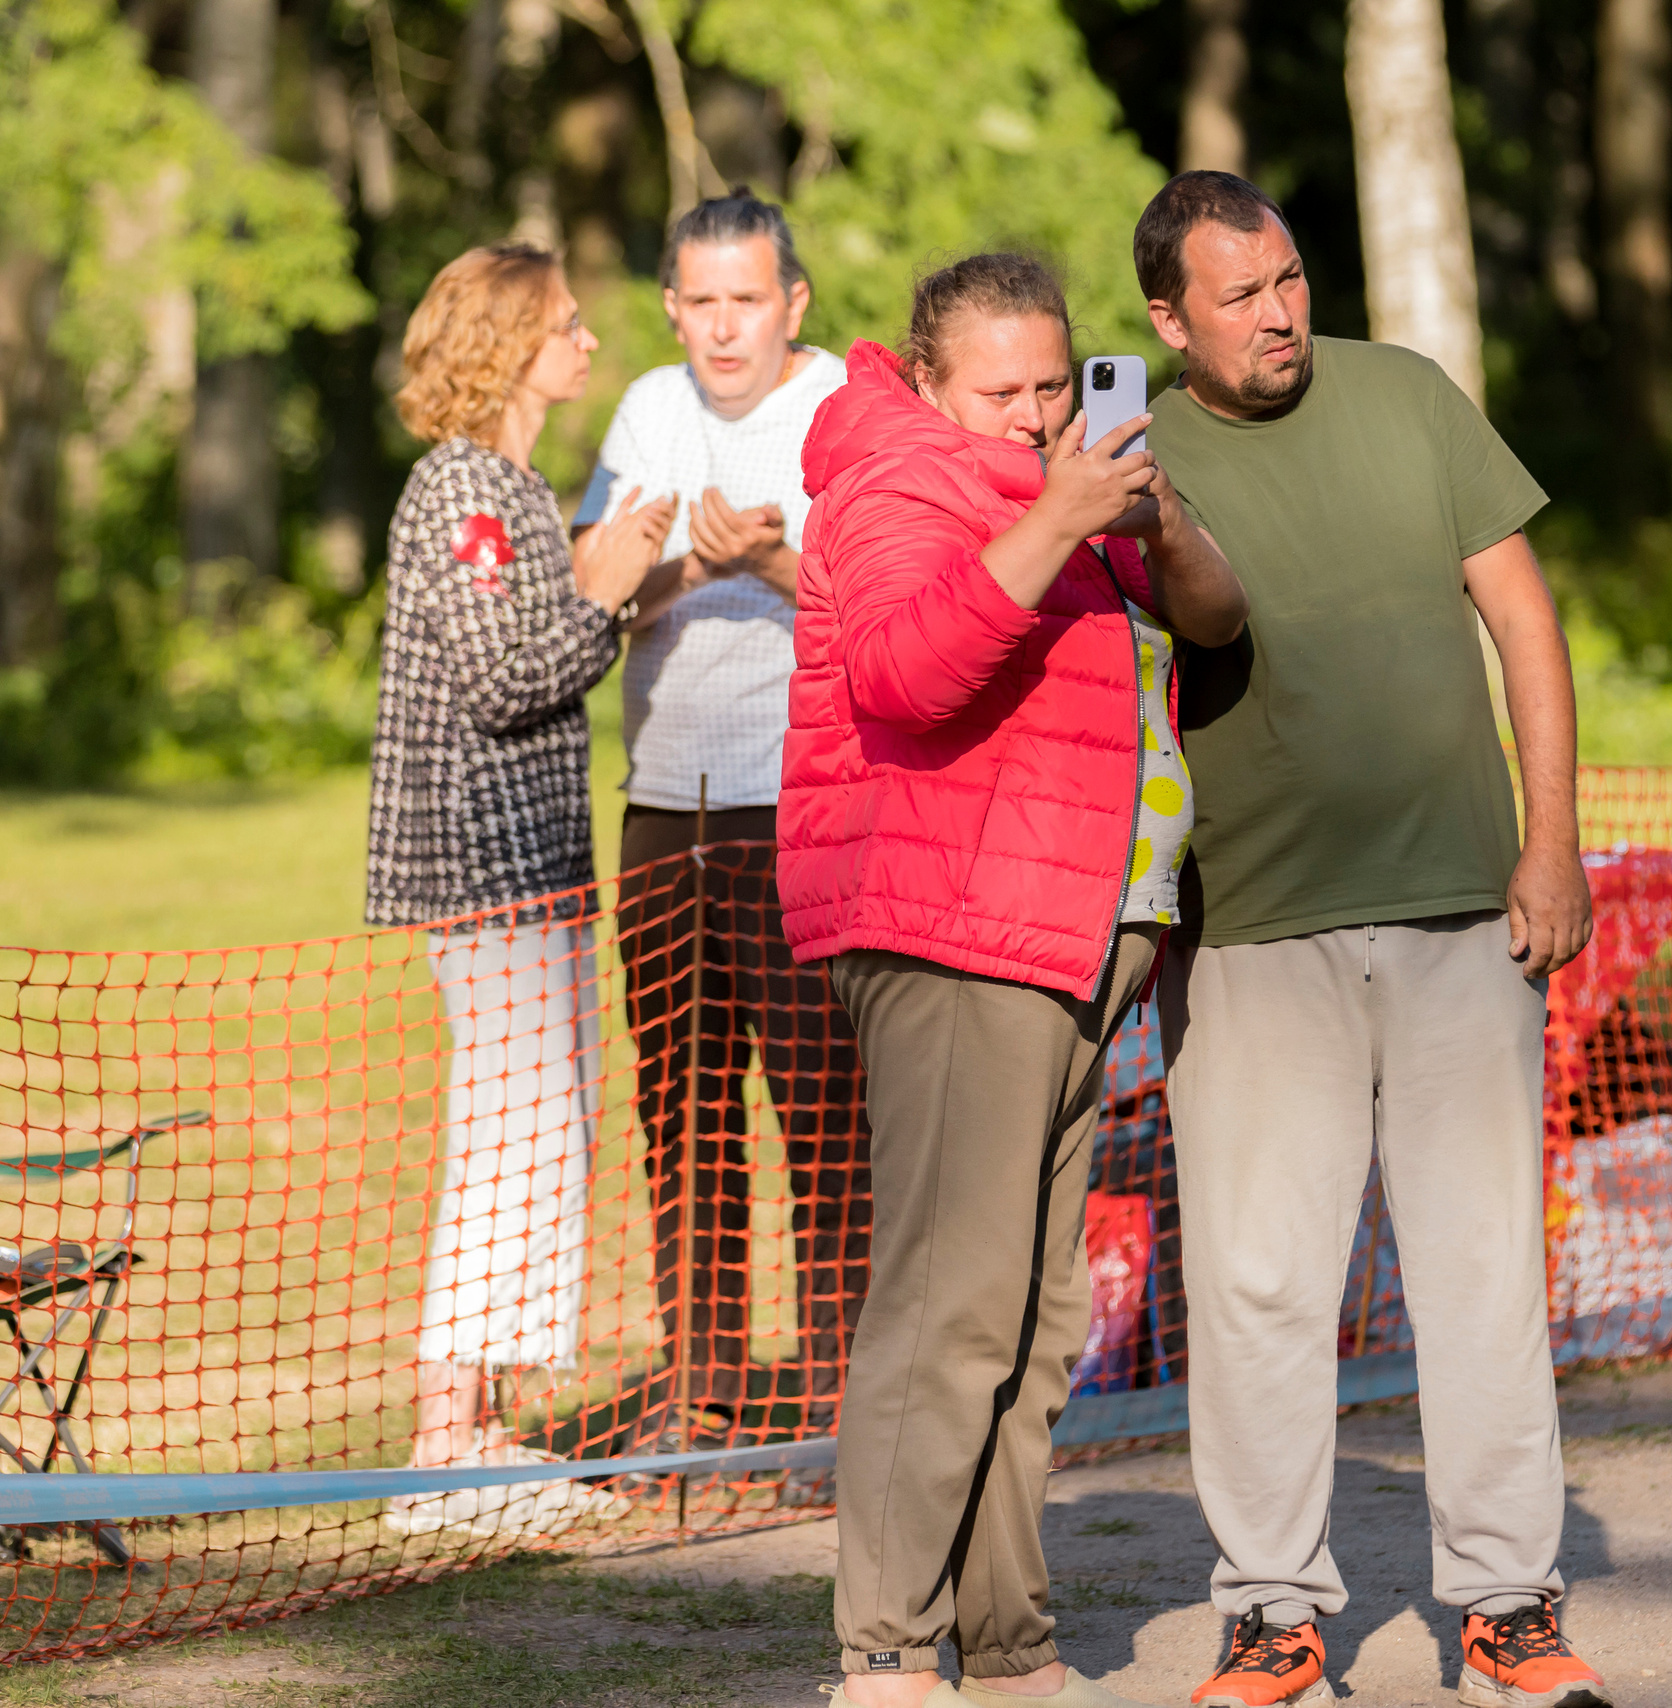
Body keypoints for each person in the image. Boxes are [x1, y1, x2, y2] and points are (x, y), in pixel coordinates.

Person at [1133, 172, 1612, 1708]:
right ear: (1167, 318)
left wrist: (1552, 842)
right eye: (1241, 295)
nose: (1280, 314)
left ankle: (1507, 1606)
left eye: (1288, 278)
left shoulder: (1408, 397)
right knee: (1263, 1282)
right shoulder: (1132, 456)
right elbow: (1168, 640)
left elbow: (1523, 619)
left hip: (1467, 912)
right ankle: (1272, 1612)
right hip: (1251, 931)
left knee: (1481, 1271)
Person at [779, 254, 1248, 1708]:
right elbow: (906, 677)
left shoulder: (1077, 496)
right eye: (1004, 391)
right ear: (929, 382)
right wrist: (1052, 515)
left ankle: (1005, 1642)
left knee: (1035, 1322)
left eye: (1056, 385)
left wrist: (1147, 515)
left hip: (1067, 938)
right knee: (949, 1306)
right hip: (955, 931)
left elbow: (1221, 625)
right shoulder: (900, 482)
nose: (1037, 414)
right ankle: (887, 1652)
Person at [365, 243, 677, 1533]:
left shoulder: (505, 487)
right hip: (485, 872)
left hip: (526, 869)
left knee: (538, 1138)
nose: (587, 342)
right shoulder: (471, 493)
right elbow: (507, 678)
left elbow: (531, 650)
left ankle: (479, 1418)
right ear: (507, 343)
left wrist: (656, 573)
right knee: (511, 1144)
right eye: (564, 322)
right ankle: (450, 1443)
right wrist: (603, 599)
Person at [571, 189, 861, 1472]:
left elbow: (901, 593)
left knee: (824, 1105)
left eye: (749, 300)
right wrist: (692, 565)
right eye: (701, 302)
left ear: (792, 301)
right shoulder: (648, 409)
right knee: (683, 1109)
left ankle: (848, 1385)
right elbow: (591, 586)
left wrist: (773, 563)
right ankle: (706, 1381)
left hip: (810, 808)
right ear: (672, 306)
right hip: (663, 815)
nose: (724, 328)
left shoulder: (844, 401)